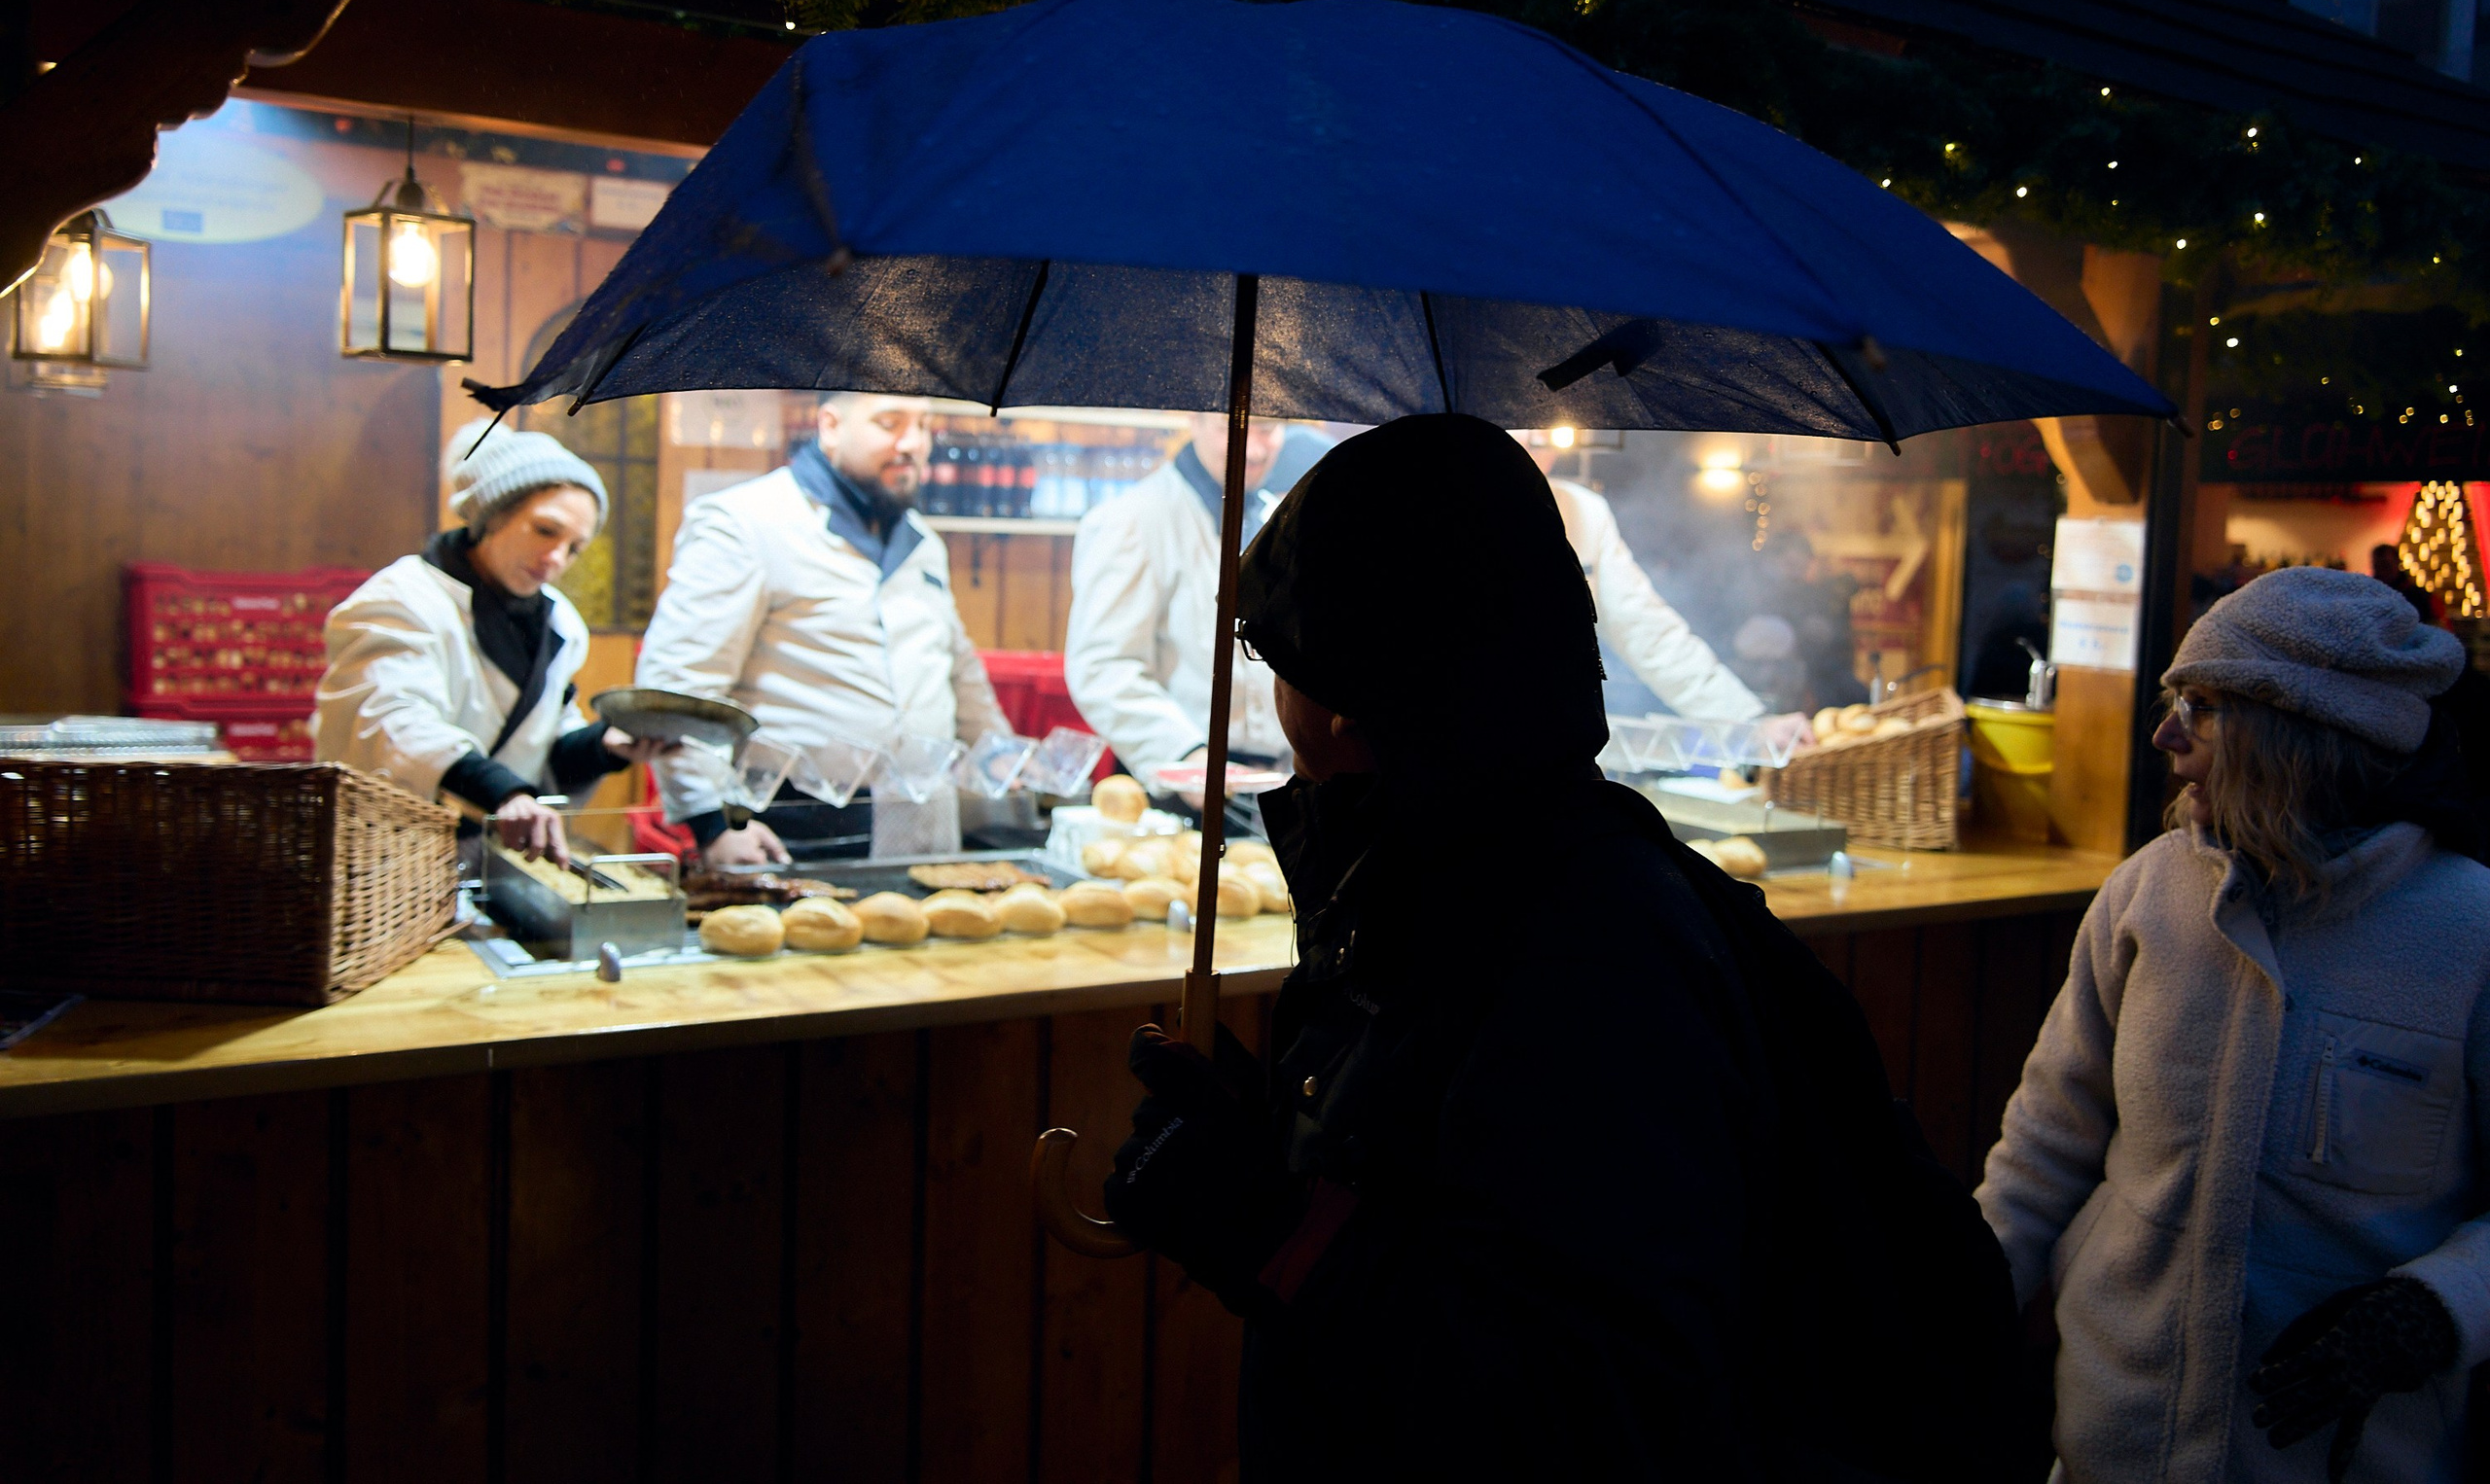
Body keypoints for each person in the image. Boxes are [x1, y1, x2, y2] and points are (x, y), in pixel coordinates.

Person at [1100, 414, 2014, 1481]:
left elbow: (1582, 1407)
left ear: (1354, 701)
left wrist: (1275, 1233)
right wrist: (1286, 1142)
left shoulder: (1582, 953)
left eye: (1278, 659)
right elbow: (1456, 1205)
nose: (1275, 699)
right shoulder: (1465, 881)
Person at [1976, 567, 2490, 1483]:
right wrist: (1956, 1309)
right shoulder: (2144, 894)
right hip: (2109, 1442)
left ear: (2302, 732)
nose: (2165, 736)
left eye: (2205, 708)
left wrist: (2438, 1304)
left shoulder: (2471, 934)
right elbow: (2045, 1145)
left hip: (2346, 1456)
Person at [636, 391, 1009, 866]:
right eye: (889, 423)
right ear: (831, 426)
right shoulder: (745, 523)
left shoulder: (923, 542)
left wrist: (998, 753)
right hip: (792, 825)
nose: (913, 443)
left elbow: (958, 668)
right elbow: (678, 688)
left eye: (922, 425)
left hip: (924, 823)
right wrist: (711, 824)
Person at [317, 422, 661, 863]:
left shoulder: (560, 622)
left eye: (575, 547)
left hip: (484, 862)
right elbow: (392, 725)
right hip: (383, 858)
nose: (556, 558)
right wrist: (501, 791)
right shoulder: (399, 600)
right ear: (494, 515)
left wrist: (605, 746)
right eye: (545, 530)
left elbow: (541, 741)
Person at [1063, 413, 1326, 801]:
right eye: (1234, 429)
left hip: (1275, 780)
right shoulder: (1132, 518)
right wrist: (1185, 757)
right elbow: (1103, 666)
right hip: (1180, 784)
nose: (1253, 449)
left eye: (1268, 429)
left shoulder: (1277, 516)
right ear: (1196, 421)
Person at [1512, 433, 1813, 746]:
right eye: (1523, 433)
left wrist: (1747, 724)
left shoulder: (1584, 511)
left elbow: (1648, 631)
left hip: (1555, 747)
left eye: (1544, 437)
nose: (1538, 446)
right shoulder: (1458, 513)